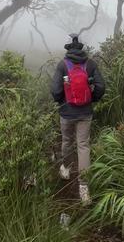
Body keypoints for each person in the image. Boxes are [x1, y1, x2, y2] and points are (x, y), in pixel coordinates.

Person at [51, 34, 105, 204]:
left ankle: (66, 169)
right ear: (81, 49)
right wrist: (92, 99)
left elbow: (55, 90)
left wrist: (61, 101)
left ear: (68, 49)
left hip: (66, 112)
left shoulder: (62, 65)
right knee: (83, 146)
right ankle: (84, 188)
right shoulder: (90, 64)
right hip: (85, 113)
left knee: (67, 141)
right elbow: (101, 86)